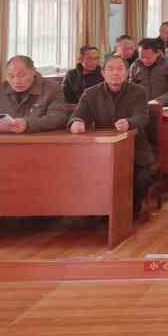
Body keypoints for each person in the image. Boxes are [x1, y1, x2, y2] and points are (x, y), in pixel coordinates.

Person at [68, 55, 158, 218]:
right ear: (103, 73)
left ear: (127, 72)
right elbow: (78, 115)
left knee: (141, 179)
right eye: (110, 69)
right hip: (102, 150)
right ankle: (100, 210)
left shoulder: (138, 92)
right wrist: (76, 122)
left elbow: (142, 117)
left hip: (135, 148)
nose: (115, 73)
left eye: (120, 69)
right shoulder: (91, 93)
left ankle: (130, 210)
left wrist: (129, 122)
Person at [0, 56, 69, 133]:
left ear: (33, 71)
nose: (16, 81)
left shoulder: (52, 88)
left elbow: (59, 118)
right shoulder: (2, 89)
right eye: (11, 76)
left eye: (21, 75)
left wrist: (27, 124)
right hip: (5, 140)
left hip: (38, 141)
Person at [129, 38, 168, 106]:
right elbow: (131, 89)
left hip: (167, 106)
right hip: (143, 107)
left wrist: (158, 101)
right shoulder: (135, 66)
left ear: (158, 53)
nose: (145, 60)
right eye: (142, 57)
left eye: (149, 57)